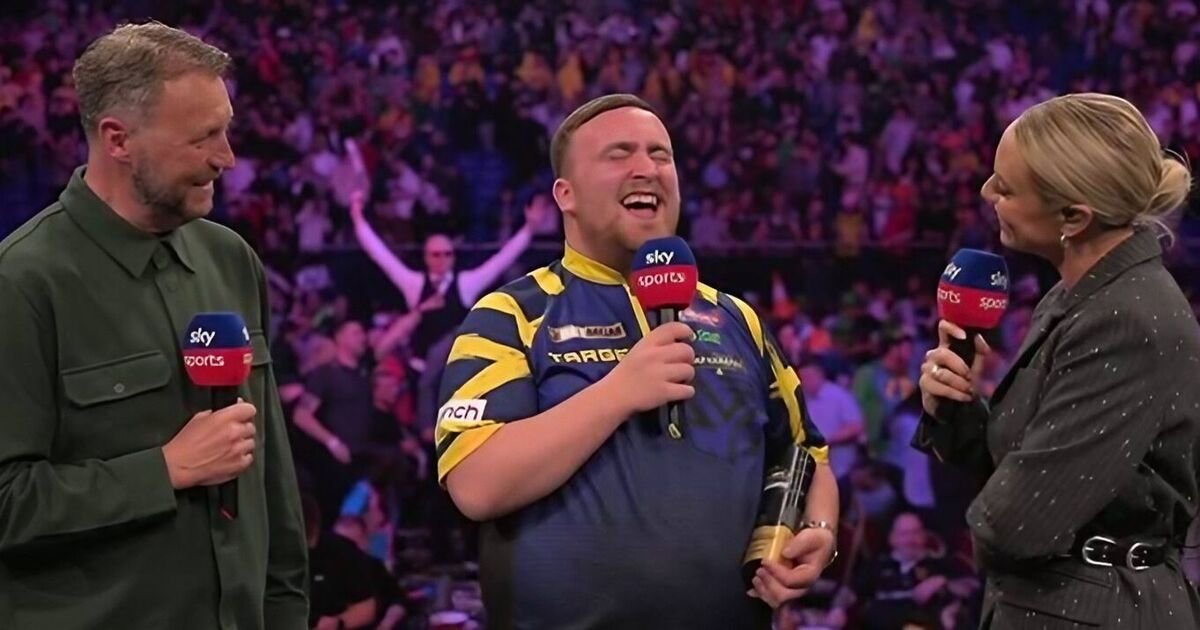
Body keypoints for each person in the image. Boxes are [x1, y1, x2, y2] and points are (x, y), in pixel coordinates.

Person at [434, 93, 839, 628]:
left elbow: (808, 455)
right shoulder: (511, 314)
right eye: (619, 154)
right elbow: (476, 484)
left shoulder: (738, 319)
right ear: (566, 194)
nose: (646, 168)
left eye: (660, 154)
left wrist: (819, 531)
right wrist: (617, 393)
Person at [0, 22, 308, 629]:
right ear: (118, 139)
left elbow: (271, 480)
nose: (226, 157)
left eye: (226, 130)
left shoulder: (230, 259)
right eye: (203, 137)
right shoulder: (23, 283)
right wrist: (162, 470)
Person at [915, 93, 1200, 628]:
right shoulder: (1076, 295)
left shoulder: (1126, 319)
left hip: (1094, 612)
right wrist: (956, 409)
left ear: (1073, 217)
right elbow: (1020, 464)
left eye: (1006, 187)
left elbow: (1019, 524)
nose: (986, 192)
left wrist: (989, 518)